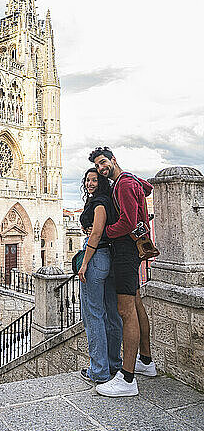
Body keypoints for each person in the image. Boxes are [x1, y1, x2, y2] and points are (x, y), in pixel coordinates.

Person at [88, 146, 157, 398]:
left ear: (113, 160)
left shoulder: (124, 184)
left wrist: (103, 233)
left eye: (103, 162)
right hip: (133, 251)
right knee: (137, 305)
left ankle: (127, 379)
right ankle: (146, 362)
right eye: (97, 165)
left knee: (125, 311)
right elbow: (147, 188)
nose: (100, 168)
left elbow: (127, 222)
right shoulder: (129, 181)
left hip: (126, 252)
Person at [78, 167, 123, 384]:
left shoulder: (99, 203)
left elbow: (96, 233)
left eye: (94, 180)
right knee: (111, 314)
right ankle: (114, 364)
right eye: (88, 180)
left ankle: (99, 371)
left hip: (96, 257)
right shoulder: (108, 200)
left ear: (101, 182)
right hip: (110, 258)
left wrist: (85, 263)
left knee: (93, 315)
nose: (90, 183)